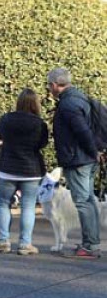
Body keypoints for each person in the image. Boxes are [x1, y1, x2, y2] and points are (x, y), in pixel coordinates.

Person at [0, 89, 48, 255]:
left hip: (8, 167)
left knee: (4, 204)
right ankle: (25, 244)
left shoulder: (6, 119)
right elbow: (42, 144)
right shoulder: (39, 123)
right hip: (32, 169)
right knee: (28, 206)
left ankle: (3, 241)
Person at [48, 67, 101, 259]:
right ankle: (92, 242)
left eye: (49, 86)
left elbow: (82, 131)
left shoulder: (68, 104)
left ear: (54, 85)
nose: (49, 89)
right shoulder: (80, 98)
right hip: (85, 157)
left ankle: (89, 246)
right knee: (89, 200)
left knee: (82, 201)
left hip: (77, 159)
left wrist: (92, 151)